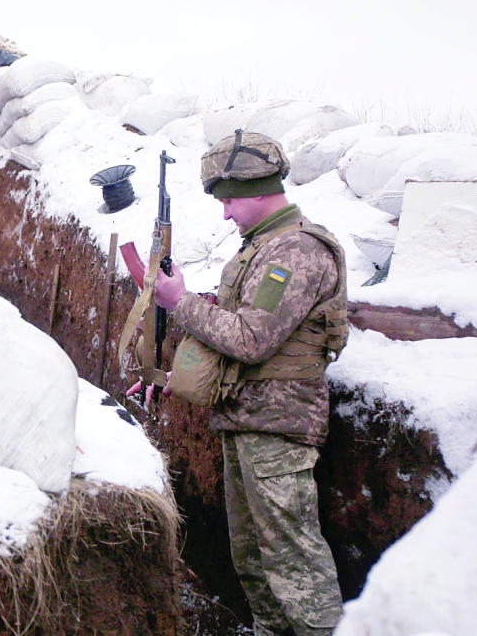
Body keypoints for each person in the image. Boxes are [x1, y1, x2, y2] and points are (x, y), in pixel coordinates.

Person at [137, 130, 348, 636]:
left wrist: (179, 304)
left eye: (229, 201)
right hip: (246, 419)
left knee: (295, 564)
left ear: (258, 190)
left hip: (278, 428)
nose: (225, 214)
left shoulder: (294, 252)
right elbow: (239, 323)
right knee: (252, 559)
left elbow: (253, 339)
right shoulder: (263, 248)